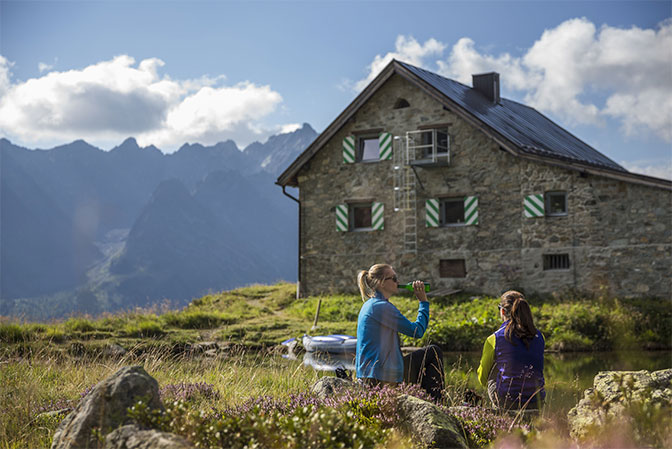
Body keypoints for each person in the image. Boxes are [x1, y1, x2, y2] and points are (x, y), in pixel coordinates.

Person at [355, 263, 444, 401]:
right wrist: (423, 302)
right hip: (381, 377)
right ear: (382, 283)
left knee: (426, 354)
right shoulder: (381, 307)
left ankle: (427, 402)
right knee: (433, 352)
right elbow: (417, 331)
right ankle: (437, 404)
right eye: (394, 278)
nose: (398, 282)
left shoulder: (370, 305)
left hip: (370, 375)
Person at [477, 290, 545, 410]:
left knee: (495, 366)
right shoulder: (539, 336)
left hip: (506, 401)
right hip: (536, 400)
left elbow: (482, 377)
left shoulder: (494, 338)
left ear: (502, 311)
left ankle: (499, 414)